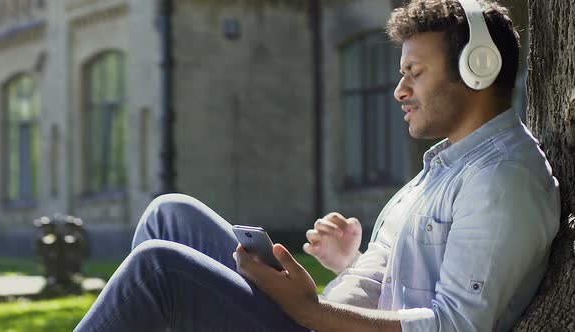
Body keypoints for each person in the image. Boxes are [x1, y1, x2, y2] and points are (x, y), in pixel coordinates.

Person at [75, 0, 560, 331]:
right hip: (316, 322)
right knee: (170, 213)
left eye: (415, 73)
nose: (400, 91)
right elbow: (394, 281)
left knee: (158, 269)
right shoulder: (443, 170)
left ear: (478, 68)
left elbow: (456, 326)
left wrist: (309, 311)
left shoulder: (502, 180)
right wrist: (343, 270)